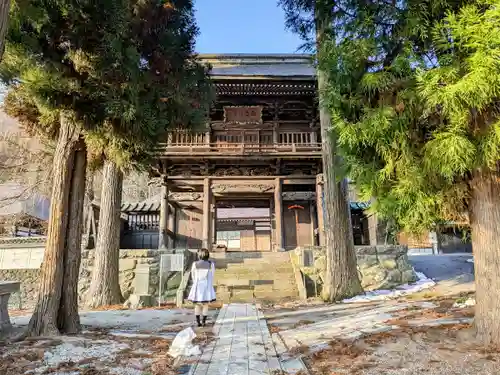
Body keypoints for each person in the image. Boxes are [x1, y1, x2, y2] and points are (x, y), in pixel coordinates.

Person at [187, 248, 216, 327]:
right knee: (205, 304)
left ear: (199, 255)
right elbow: (212, 275)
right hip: (207, 286)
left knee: (197, 304)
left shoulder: (195, 264)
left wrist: (195, 282)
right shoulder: (211, 264)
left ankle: (198, 322)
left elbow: (193, 275)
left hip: (197, 286)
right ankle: (204, 321)